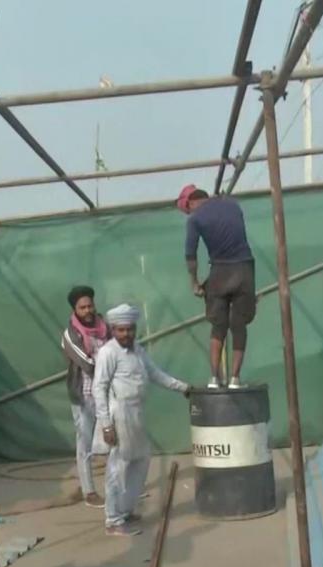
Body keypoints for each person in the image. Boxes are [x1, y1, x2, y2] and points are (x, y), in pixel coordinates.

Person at [92, 303, 189, 536]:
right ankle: (113, 520)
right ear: (113, 330)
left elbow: (154, 373)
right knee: (118, 465)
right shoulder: (108, 352)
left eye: (130, 329)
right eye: (121, 330)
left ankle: (125, 510)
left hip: (136, 412)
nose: (126, 334)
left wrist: (183, 387)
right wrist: (106, 425)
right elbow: (99, 388)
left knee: (141, 460)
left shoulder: (137, 349)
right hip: (119, 413)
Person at [177, 184, 256, 389]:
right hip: (244, 268)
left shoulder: (195, 219)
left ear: (191, 202)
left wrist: (195, 282)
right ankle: (235, 379)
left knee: (218, 326)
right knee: (239, 326)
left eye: (187, 209)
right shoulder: (233, 205)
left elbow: (191, 255)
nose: (189, 213)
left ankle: (215, 378)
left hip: (220, 271)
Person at [61, 285, 110, 508]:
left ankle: (116, 487)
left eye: (90, 305)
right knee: (85, 444)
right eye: (83, 307)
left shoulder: (104, 326)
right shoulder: (70, 334)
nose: (88, 310)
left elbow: (114, 351)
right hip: (84, 396)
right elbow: (86, 363)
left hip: (107, 394)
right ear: (75, 309)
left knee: (112, 440)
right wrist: (109, 368)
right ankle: (89, 492)